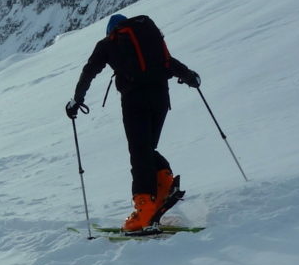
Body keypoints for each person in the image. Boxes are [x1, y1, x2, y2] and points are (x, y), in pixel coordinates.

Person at [66, 13, 201, 233]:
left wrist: (76, 100)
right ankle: (164, 183)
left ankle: (145, 210)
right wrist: (190, 77)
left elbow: (89, 70)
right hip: (160, 98)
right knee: (146, 148)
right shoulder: (148, 43)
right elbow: (168, 62)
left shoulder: (109, 43)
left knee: (139, 151)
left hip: (135, 101)